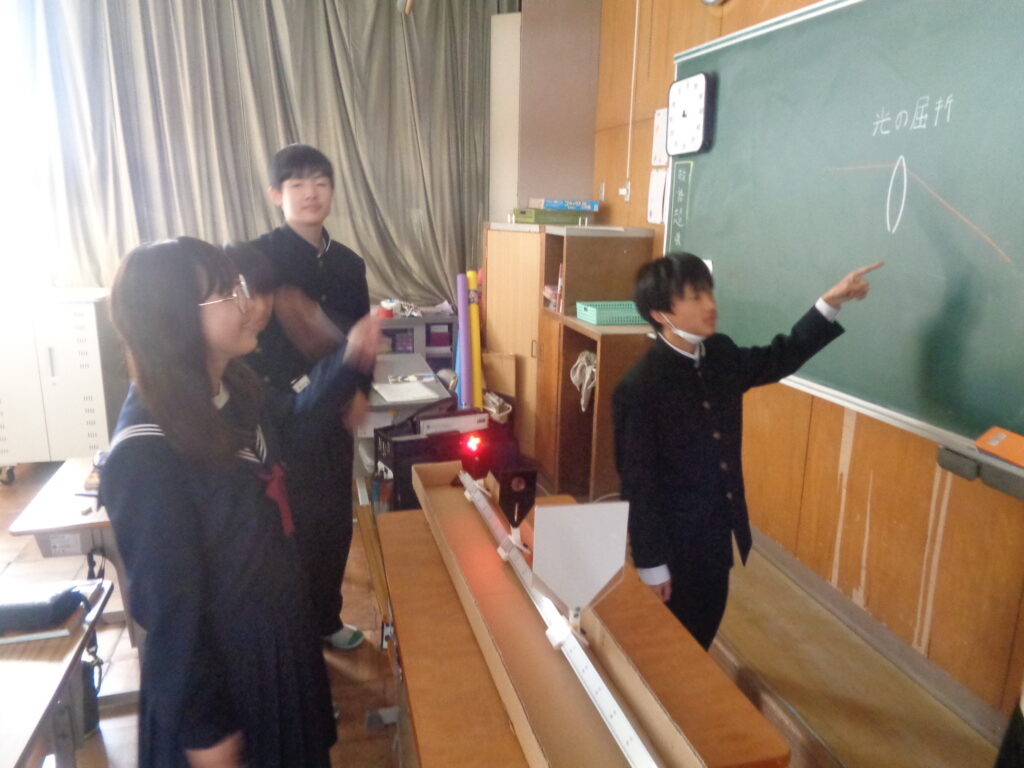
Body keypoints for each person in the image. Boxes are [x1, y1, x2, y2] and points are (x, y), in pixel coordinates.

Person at [100, 237, 379, 767]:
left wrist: (349, 361)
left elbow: (294, 422)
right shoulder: (146, 450)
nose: (250, 304)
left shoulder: (233, 387)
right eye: (230, 293)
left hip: (276, 643)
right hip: (225, 678)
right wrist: (207, 730)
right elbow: (172, 609)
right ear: (176, 317)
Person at [612, 253, 882, 650]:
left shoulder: (719, 354)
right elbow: (638, 485)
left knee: (703, 632)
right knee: (669, 648)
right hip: (673, 546)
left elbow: (780, 356)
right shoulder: (639, 387)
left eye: (709, 292)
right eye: (694, 297)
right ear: (660, 314)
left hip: (717, 537)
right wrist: (652, 564)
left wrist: (830, 303)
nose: (710, 304)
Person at [247, 144, 371, 650]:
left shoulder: (349, 263)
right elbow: (249, 341)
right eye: (296, 184)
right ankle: (293, 632)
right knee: (290, 522)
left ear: (333, 191)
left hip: (335, 410)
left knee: (335, 521)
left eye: (320, 182)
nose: (310, 193)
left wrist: (360, 391)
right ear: (276, 194)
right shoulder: (259, 258)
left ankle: (326, 617)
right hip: (282, 414)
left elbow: (363, 334)